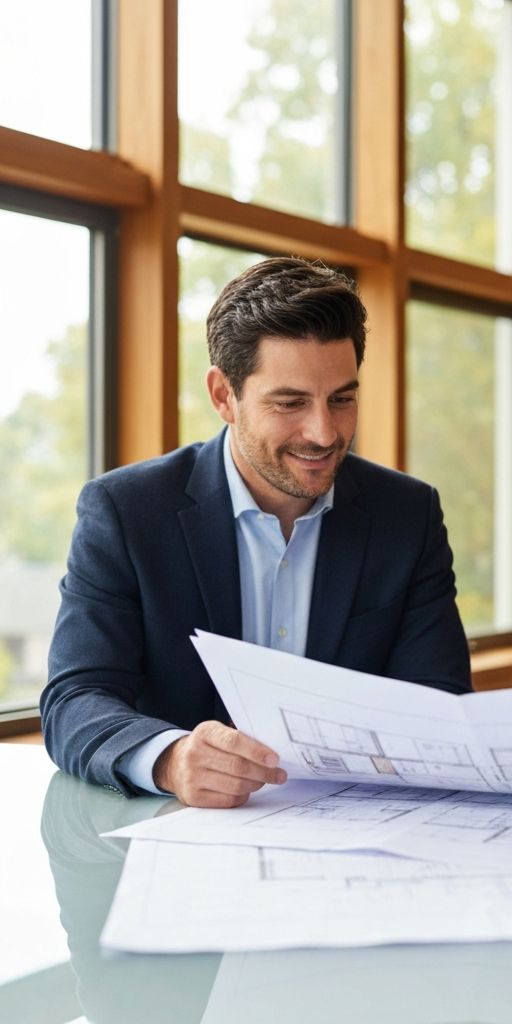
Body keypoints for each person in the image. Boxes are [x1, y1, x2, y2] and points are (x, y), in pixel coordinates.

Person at [43, 257, 471, 807]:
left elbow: (440, 701)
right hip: (176, 847)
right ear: (224, 395)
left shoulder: (407, 515)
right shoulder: (126, 512)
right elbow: (75, 699)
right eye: (290, 402)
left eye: (342, 398)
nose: (323, 432)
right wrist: (171, 759)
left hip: (357, 837)